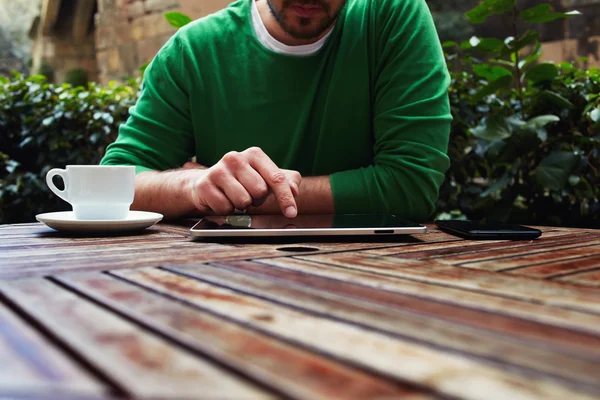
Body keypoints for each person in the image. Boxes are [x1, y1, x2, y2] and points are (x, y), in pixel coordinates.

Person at [100, 0, 452, 221]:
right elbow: (111, 185)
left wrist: (228, 199)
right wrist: (192, 185)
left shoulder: (392, 13)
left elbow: (411, 187)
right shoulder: (191, 51)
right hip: (224, 278)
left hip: (380, 274)